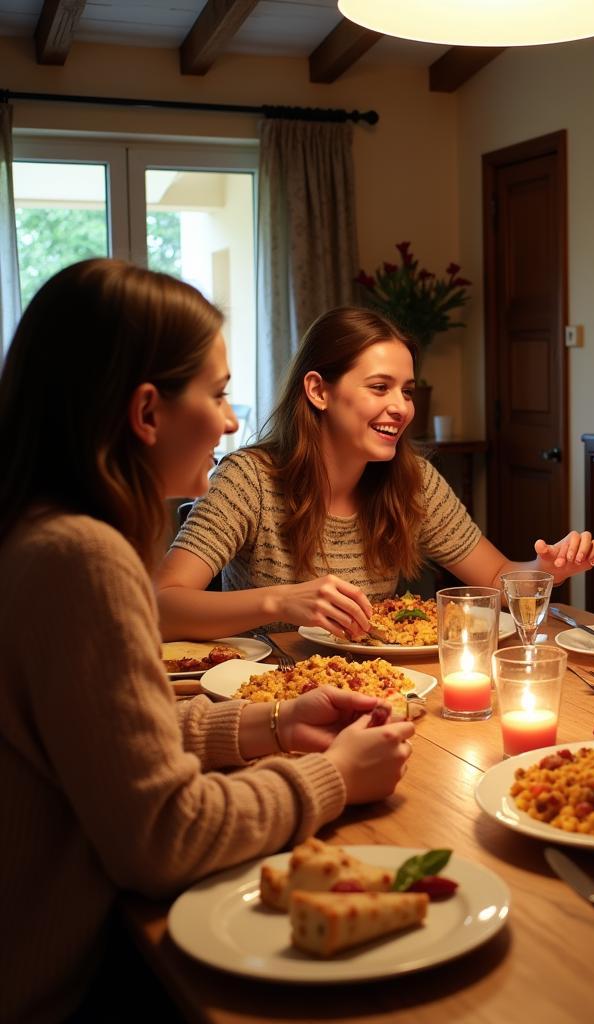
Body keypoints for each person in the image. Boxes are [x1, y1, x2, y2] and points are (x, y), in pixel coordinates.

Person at [0, 260, 415, 1023]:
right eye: (219, 394)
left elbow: (114, 737)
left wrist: (273, 724)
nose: (231, 421)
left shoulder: (37, 533)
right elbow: (162, 836)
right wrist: (331, 775)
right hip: (59, 985)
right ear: (148, 412)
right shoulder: (81, 560)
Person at [155, 306, 594, 639]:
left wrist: (546, 568)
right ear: (318, 391)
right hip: (266, 697)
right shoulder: (249, 480)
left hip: (382, 691)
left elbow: (495, 578)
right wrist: (282, 601)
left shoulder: (414, 480)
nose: (401, 407)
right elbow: (162, 605)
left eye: (406, 390)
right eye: (379, 387)